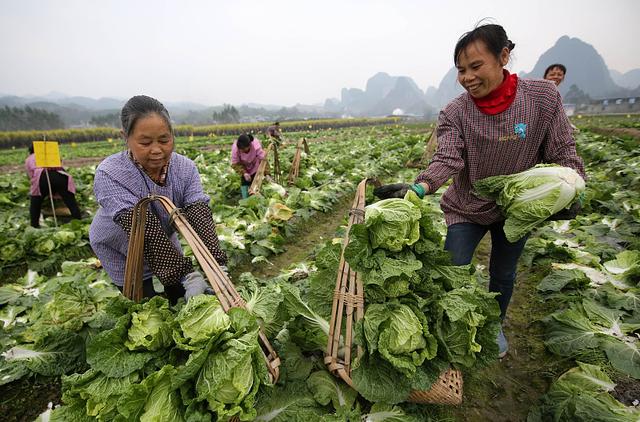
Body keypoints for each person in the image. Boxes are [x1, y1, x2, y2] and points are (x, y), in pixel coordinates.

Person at [374, 24, 585, 358]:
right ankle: (449, 329)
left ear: (503, 57)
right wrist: (420, 186)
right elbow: (447, 158)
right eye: (460, 70)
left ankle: (493, 325)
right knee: (451, 269)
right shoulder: (455, 112)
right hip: (466, 206)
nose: (467, 77)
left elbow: (564, 154)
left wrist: (574, 189)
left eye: (475, 67)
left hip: (516, 210)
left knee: (503, 272)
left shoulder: (543, 99)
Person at [89, 95, 228, 304]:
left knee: (180, 294)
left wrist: (216, 264)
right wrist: (188, 275)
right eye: (145, 142)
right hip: (120, 243)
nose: (156, 150)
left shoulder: (185, 168)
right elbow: (140, 227)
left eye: (164, 140)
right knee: (146, 303)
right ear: (125, 137)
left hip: (164, 233)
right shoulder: (109, 173)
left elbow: (198, 212)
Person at [25, 144, 82, 228]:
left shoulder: (29, 159)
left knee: (35, 204)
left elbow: (31, 175)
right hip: (59, 176)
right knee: (70, 201)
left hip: (42, 177)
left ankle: (34, 225)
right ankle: (78, 221)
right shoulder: (50, 154)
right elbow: (60, 166)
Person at [231, 133, 266, 199]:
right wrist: (244, 173)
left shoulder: (255, 145)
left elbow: (263, 160)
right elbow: (235, 164)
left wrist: (267, 173)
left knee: (257, 182)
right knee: (244, 182)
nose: (242, 151)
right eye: (240, 149)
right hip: (244, 166)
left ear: (249, 145)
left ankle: (257, 198)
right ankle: (246, 200)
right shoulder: (235, 149)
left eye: (244, 149)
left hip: (255, 165)